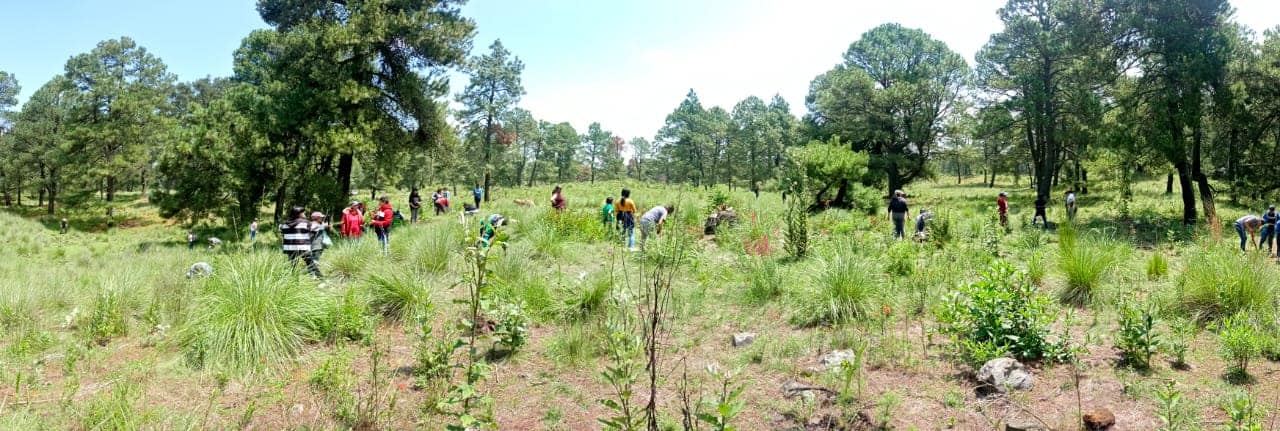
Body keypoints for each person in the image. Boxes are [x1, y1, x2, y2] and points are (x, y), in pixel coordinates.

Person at [281, 206, 321, 277]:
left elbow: (281, 229)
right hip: (302, 247)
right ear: (300, 214)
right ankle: (321, 278)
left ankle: (293, 281)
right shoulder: (305, 223)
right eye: (303, 213)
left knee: (293, 265)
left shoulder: (285, 224)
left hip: (290, 247)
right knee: (310, 263)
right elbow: (316, 228)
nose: (304, 214)